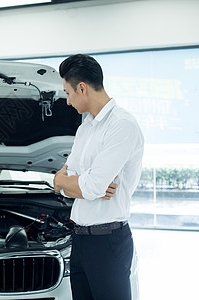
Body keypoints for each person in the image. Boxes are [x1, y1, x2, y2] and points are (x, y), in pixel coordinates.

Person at [53, 54, 144, 300]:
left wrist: (77, 183)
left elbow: (90, 186)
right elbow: (62, 179)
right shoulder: (85, 128)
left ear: (82, 88)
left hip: (108, 243)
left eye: (68, 93)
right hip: (80, 241)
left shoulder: (122, 125)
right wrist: (68, 183)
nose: (68, 101)